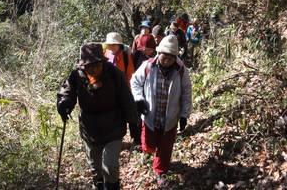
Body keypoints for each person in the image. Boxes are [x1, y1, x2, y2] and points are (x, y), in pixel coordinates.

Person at [57, 42, 139, 190]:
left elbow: (127, 99)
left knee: (110, 166)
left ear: (103, 61)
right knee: (95, 168)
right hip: (90, 128)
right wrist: (65, 103)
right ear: (82, 65)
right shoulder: (77, 76)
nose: (93, 68)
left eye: (97, 64)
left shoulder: (114, 74)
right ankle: (99, 185)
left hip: (113, 125)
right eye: (89, 65)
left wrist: (133, 122)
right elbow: (66, 92)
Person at [130, 36, 192, 185]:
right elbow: (135, 82)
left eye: (171, 58)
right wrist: (139, 99)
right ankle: (147, 151)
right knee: (149, 145)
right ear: (159, 54)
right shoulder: (148, 66)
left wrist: (184, 115)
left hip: (170, 118)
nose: (167, 61)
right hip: (151, 115)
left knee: (165, 147)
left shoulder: (181, 70)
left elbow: (186, 92)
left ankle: (160, 171)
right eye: (165, 57)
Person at [103, 32, 141, 146]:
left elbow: (130, 74)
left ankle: (130, 139)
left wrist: (130, 92)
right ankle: (109, 139)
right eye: (110, 44)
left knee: (124, 115)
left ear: (120, 45)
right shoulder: (103, 55)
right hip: (106, 92)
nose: (112, 46)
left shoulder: (125, 56)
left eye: (115, 44)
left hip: (122, 91)